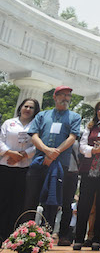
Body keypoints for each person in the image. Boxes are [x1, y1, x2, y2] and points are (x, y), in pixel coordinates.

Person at [24, 86, 81, 230]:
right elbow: (34, 135)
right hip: (39, 161)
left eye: (68, 96)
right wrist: (46, 151)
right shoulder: (42, 115)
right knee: (31, 197)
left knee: (52, 200)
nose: (65, 98)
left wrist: (56, 152)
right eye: (62, 95)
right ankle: (25, 232)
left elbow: (72, 137)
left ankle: (46, 233)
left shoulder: (75, 117)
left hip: (60, 164)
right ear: (55, 97)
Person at [73, 100, 100, 251]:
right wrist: (95, 150)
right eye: (98, 109)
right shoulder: (91, 127)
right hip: (89, 171)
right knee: (84, 205)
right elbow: (82, 147)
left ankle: (97, 239)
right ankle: (79, 238)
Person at [0, 98, 39, 240]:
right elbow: (1, 140)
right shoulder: (8, 123)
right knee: (3, 200)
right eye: (26, 106)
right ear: (20, 107)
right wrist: (11, 154)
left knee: (18, 201)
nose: (28, 109)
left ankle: (12, 235)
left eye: (31, 107)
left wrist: (22, 156)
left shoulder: (36, 126)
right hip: (6, 165)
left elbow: (37, 145)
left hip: (24, 167)